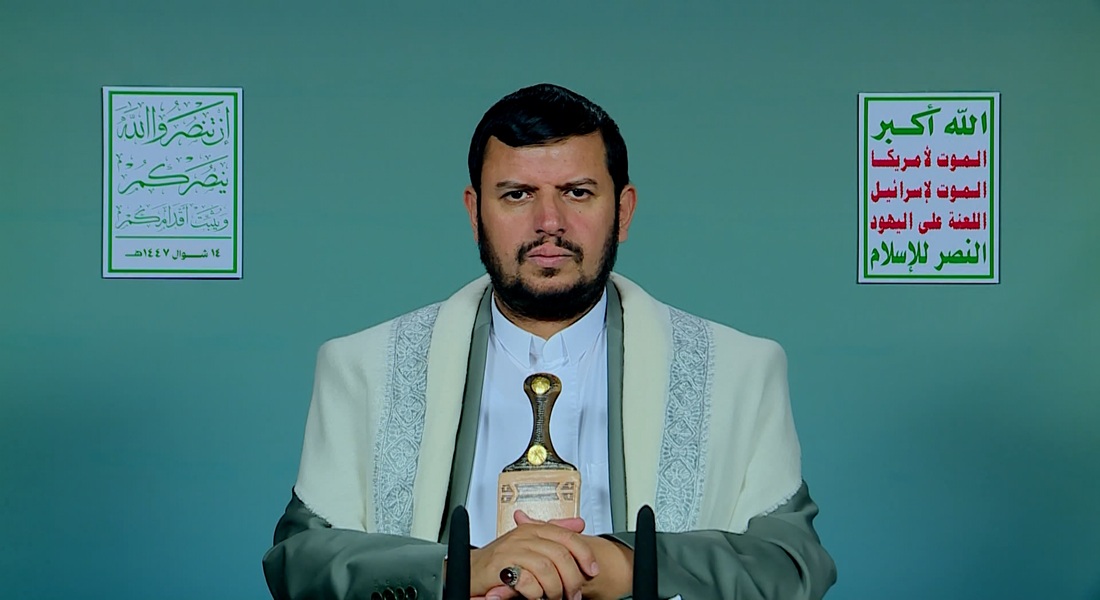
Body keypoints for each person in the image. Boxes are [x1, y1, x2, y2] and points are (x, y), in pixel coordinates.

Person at [262, 83, 837, 600]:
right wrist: (457, 571)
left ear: (624, 211)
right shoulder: (363, 367)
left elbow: (791, 565)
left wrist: (622, 565)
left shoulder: (739, 370)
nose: (549, 222)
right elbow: (300, 561)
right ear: (474, 213)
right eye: (516, 194)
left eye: (577, 192)